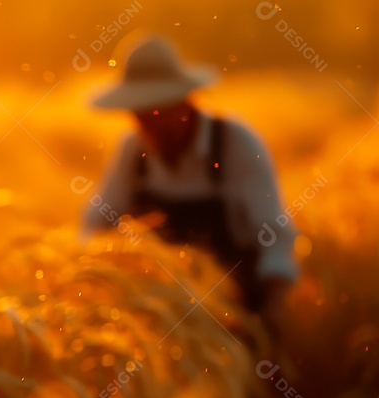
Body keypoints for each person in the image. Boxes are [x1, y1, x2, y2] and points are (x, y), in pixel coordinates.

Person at [83, 36, 297, 317]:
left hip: (235, 315)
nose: (151, 124)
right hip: (159, 314)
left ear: (184, 101)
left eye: (158, 111)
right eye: (141, 115)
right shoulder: (133, 150)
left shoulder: (236, 144)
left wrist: (271, 315)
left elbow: (274, 239)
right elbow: (96, 226)